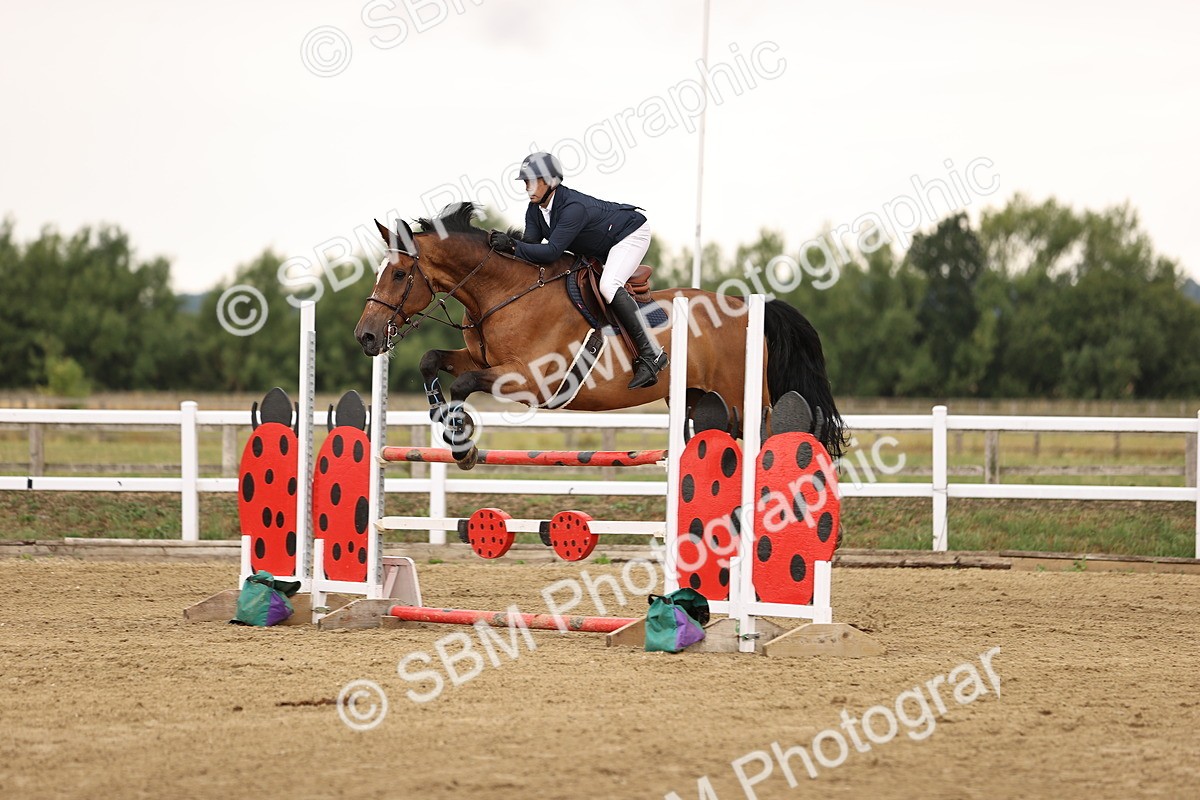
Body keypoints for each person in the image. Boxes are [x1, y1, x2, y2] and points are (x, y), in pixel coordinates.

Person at [487, 152, 669, 390]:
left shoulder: (572, 208)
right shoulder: (534, 210)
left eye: (532, 181)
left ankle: (652, 354)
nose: (527, 188)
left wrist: (512, 245)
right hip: (601, 243)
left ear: (551, 181)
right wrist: (506, 251)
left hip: (629, 234)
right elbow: (530, 249)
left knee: (609, 285)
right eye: (525, 182)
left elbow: (551, 252)